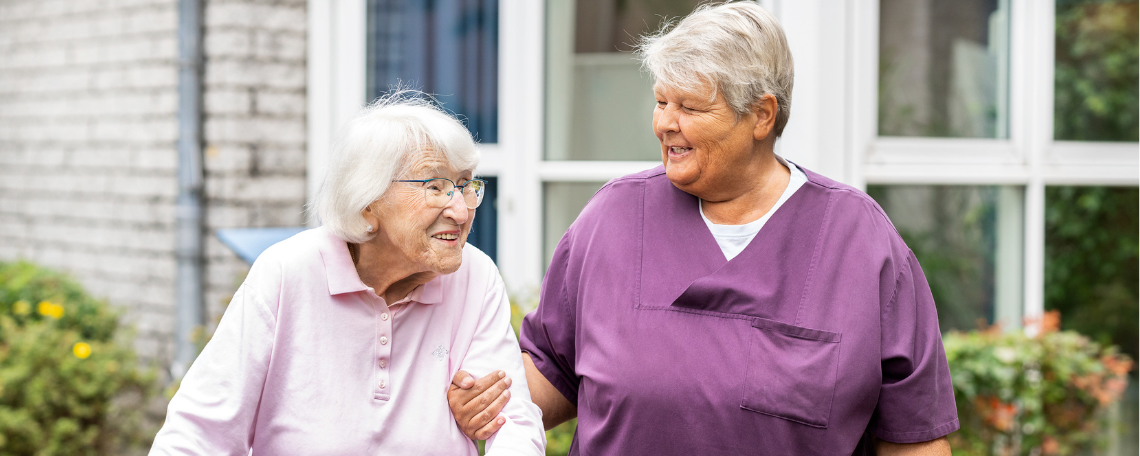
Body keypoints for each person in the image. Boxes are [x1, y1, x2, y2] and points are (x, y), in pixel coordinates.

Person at [447, 2, 958, 455]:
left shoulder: (860, 242)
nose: (665, 123)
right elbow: (551, 372)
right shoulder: (612, 218)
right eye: (661, 101)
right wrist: (489, 399)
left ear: (761, 115)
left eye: (690, 107)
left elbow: (916, 437)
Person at [150, 92, 545, 455]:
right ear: (367, 202)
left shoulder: (475, 275)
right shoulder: (288, 272)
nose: (461, 211)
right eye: (436, 187)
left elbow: (513, 425)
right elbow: (199, 431)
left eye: (465, 186)